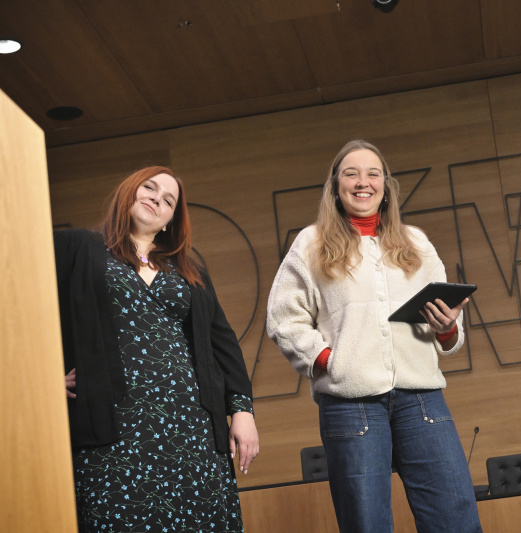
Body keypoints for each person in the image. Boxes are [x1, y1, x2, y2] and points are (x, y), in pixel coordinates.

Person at [267, 140, 483, 532]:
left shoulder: (415, 242)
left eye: (373, 173)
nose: (362, 182)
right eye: (351, 173)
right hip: (352, 405)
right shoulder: (311, 243)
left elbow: (450, 334)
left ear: (386, 186)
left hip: (422, 400)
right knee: (366, 524)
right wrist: (328, 362)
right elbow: (284, 318)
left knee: (456, 519)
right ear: (335, 186)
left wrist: (447, 327)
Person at [56, 166, 259, 532]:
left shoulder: (188, 269)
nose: (157, 199)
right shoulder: (79, 250)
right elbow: (21, 305)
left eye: (168, 201)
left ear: (169, 221)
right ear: (128, 192)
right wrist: (40, 377)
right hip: (114, 428)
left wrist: (242, 410)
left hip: (191, 428)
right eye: (149, 188)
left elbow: (222, 342)